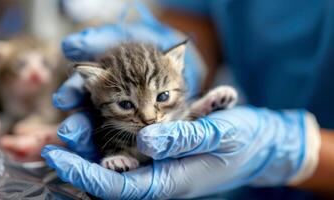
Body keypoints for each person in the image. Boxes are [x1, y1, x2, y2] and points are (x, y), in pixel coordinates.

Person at [41, 1, 334, 199]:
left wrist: (290, 148)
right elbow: (195, 19)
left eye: (159, 100)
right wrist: (189, 61)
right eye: (127, 104)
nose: (148, 119)